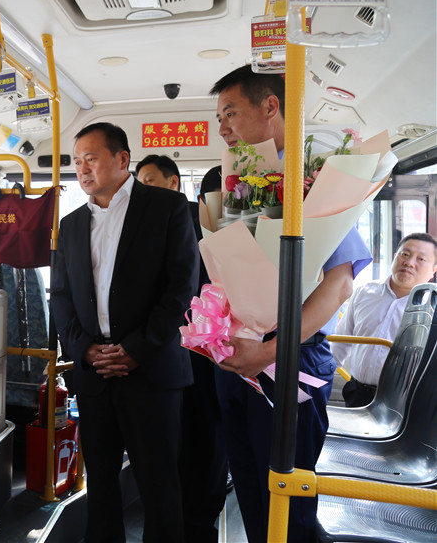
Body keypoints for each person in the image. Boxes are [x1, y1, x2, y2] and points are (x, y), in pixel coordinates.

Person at [209, 65, 372, 543]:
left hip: (289, 362)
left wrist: (267, 352)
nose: (223, 128)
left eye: (230, 113)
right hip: (240, 364)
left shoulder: (314, 178)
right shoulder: (241, 181)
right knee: (250, 489)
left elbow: (339, 285)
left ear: (271, 106)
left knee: (288, 503)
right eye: (219, 119)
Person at [50, 123, 198, 543]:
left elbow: (181, 287)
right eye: (76, 161)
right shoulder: (71, 224)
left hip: (151, 370)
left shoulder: (167, 208)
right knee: (100, 486)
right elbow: (60, 295)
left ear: (122, 159)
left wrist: (136, 348)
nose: (82, 169)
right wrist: (84, 349)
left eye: (91, 158)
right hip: (95, 374)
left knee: (159, 485)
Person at [136, 154, 228, 542]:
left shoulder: (197, 219)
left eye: (150, 181)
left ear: (174, 183)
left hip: (204, 349)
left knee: (204, 433)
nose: (142, 191)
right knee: (172, 439)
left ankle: (199, 520)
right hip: (164, 350)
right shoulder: (142, 227)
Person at [332, 233, 437, 407]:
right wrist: (322, 377)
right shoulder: (364, 292)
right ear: (395, 256)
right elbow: (341, 342)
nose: (409, 262)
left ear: (434, 270)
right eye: (405, 254)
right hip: (358, 393)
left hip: (408, 401)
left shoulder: (433, 306)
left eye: (421, 259)